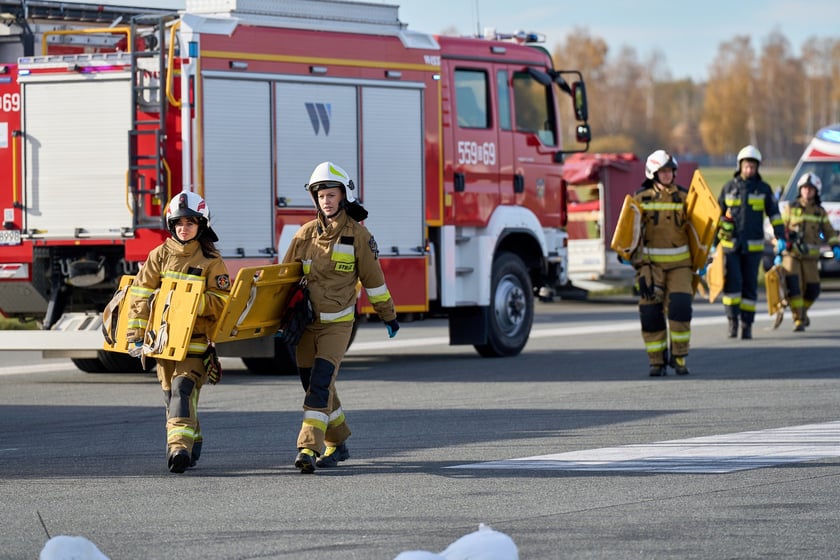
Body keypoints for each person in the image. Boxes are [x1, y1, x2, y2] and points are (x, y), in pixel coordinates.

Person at [282, 161, 399, 473]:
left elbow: (374, 282)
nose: (326, 201)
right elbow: (283, 281)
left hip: (337, 326)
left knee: (319, 384)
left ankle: (308, 448)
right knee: (314, 385)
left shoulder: (359, 237)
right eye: (321, 196)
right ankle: (339, 440)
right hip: (306, 326)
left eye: (331, 194)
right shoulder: (304, 235)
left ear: (344, 196)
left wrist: (389, 316)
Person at [125, 191, 230, 473]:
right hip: (163, 342)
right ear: (172, 226)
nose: (185, 228)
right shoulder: (159, 255)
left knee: (183, 391)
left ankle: (178, 449)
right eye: (179, 223)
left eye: (191, 223)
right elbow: (140, 294)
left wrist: (193, 302)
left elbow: (222, 302)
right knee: (171, 396)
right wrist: (135, 337)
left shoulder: (212, 260)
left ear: (201, 225)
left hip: (195, 343)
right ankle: (193, 441)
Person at [627, 150, 693, 377]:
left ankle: (679, 357)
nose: (667, 175)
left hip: (681, 265)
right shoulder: (640, 198)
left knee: (681, 309)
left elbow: (699, 230)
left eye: (670, 171)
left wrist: (705, 257)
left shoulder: (687, 197)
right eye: (662, 171)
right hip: (650, 267)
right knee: (651, 313)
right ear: (653, 173)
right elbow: (631, 235)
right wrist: (638, 265)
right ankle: (656, 361)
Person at [716, 145, 785, 339]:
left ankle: (747, 325)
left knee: (749, 287)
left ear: (757, 168)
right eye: (746, 166)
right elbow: (716, 216)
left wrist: (780, 237)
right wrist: (712, 242)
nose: (749, 170)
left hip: (754, 248)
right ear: (740, 166)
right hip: (731, 247)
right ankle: (732, 322)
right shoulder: (729, 188)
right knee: (732, 285)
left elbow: (775, 215)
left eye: (753, 167)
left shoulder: (763, 189)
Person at [780, 172, 840, 331]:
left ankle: (802, 312)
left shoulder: (819, 212)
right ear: (800, 190)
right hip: (791, 254)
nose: (807, 191)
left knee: (813, 288)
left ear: (816, 191)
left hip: (810, 257)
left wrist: (835, 246)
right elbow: (780, 229)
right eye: (805, 188)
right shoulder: (790, 208)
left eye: (811, 189)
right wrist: (779, 243)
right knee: (794, 286)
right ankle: (798, 319)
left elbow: (828, 232)